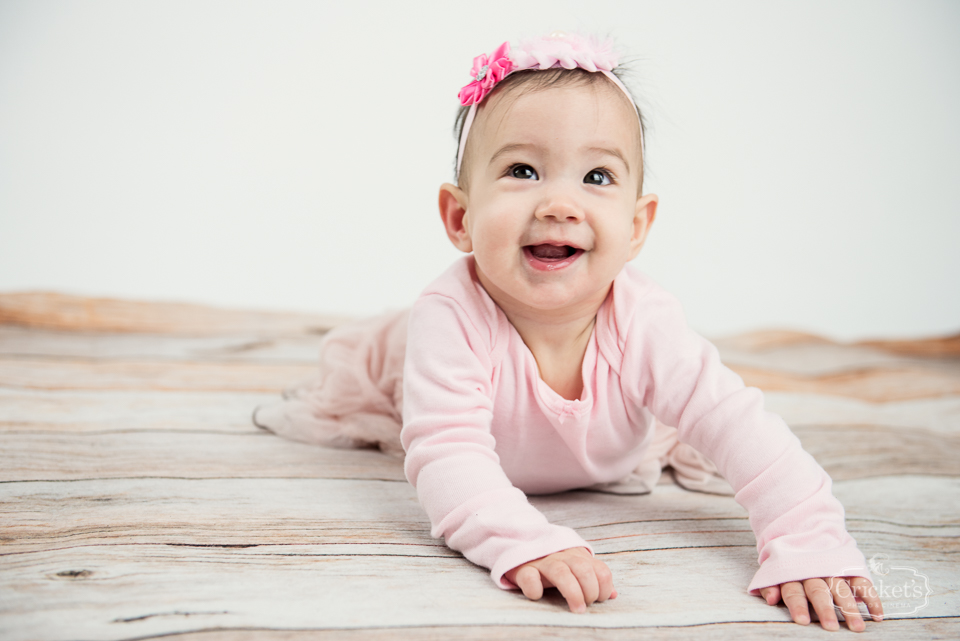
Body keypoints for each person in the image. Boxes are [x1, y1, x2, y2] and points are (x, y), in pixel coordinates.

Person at [254, 32, 884, 631]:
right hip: (438, 377)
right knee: (398, 363)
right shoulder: (450, 316)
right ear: (460, 217)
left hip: (614, 444)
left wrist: (808, 537)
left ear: (638, 226)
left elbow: (737, 422)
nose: (559, 203)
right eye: (523, 171)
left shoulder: (645, 320)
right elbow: (447, 452)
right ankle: (395, 358)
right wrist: (522, 540)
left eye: (597, 177)